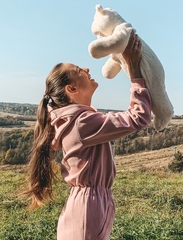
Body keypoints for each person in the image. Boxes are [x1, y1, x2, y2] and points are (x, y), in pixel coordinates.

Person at [24, 31, 152, 240]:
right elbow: (138, 117)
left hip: (93, 203)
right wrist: (134, 67)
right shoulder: (81, 123)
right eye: (78, 70)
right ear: (72, 88)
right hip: (88, 207)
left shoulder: (79, 120)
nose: (86, 69)